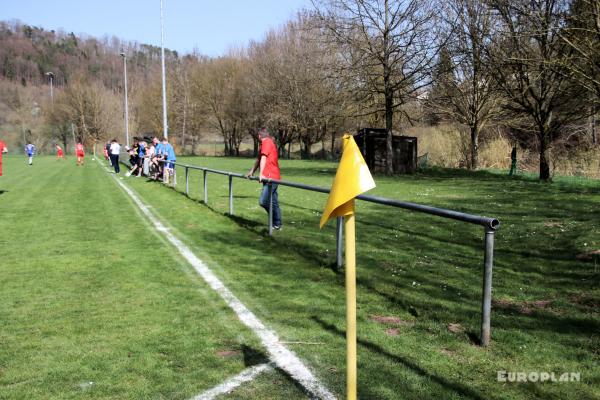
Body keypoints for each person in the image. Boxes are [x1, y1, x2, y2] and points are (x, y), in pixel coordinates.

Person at [246, 127, 282, 230]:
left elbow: (263, 158)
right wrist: (251, 171)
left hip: (271, 177)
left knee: (263, 201)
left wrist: (261, 174)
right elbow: (259, 159)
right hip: (271, 176)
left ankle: (274, 220)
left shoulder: (267, 142)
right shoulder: (265, 143)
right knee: (274, 201)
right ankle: (277, 223)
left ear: (259, 136)